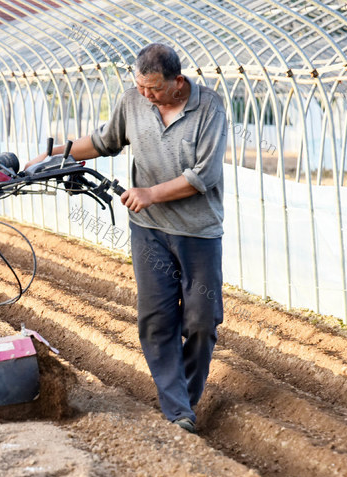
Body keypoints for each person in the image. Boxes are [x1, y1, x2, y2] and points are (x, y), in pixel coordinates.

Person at [24, 43, 227, 434]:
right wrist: (50, 157)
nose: (145, 95)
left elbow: (205, 175)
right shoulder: (133, 101)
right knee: (156, 320)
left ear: (177, 82)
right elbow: (102, 142)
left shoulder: (210, 109)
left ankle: (184, 394)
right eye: (140, 86)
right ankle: (178, 410)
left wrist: (150, 192)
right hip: (149, 230)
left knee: (202, 321)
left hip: (197, 233)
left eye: (153, 88)